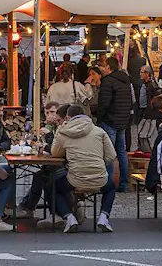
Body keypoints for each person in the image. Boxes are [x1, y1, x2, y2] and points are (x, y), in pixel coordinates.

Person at [50, 104, 118, 232]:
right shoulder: (99, 131)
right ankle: (103, 217)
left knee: (53, 186)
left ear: (68, 117)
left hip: (75, 178)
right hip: (99, 177)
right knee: (111, 187)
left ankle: (69, 218)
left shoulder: (63, 133)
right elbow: (111, 156)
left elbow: (55, 153)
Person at [97, 56, 133, 192]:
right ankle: (124, 184)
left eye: (103, 65)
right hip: (122, 120)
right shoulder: (124, 81)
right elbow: (129, 101)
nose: (101, 68)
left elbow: (104, 103)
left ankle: (108, 184)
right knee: (121, 153)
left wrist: (99, 118)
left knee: (109, 153)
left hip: (110, 120)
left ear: (108, 67)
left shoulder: (108, 82)